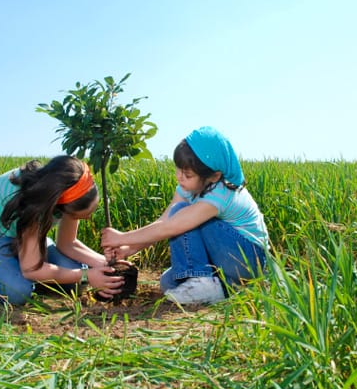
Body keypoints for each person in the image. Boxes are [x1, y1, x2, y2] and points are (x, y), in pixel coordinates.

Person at [101, 126, 269, 305]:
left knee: (181, 214)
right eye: (178, 170)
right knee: (168, 283)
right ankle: (225, 288)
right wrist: (129, 248)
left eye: (188, 174)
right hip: (223, 259)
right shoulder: (187, 189)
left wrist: (121, 238)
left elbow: (172, 226)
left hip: (248, 259)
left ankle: (204, 283)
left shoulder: (221, 193)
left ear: (213, 176)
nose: (180, 178)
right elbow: (164, 222)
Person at [0, 155, 124, 305]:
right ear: (61, 205)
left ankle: (13, 270)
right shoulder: (35, 204)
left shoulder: (71, 188)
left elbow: (68, 243)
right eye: (81, 216)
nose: (87, 218)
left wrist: (106, 263)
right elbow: (32, 269)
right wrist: (87, 275)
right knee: (17, 293)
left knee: (75, 283)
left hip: (25, 236)